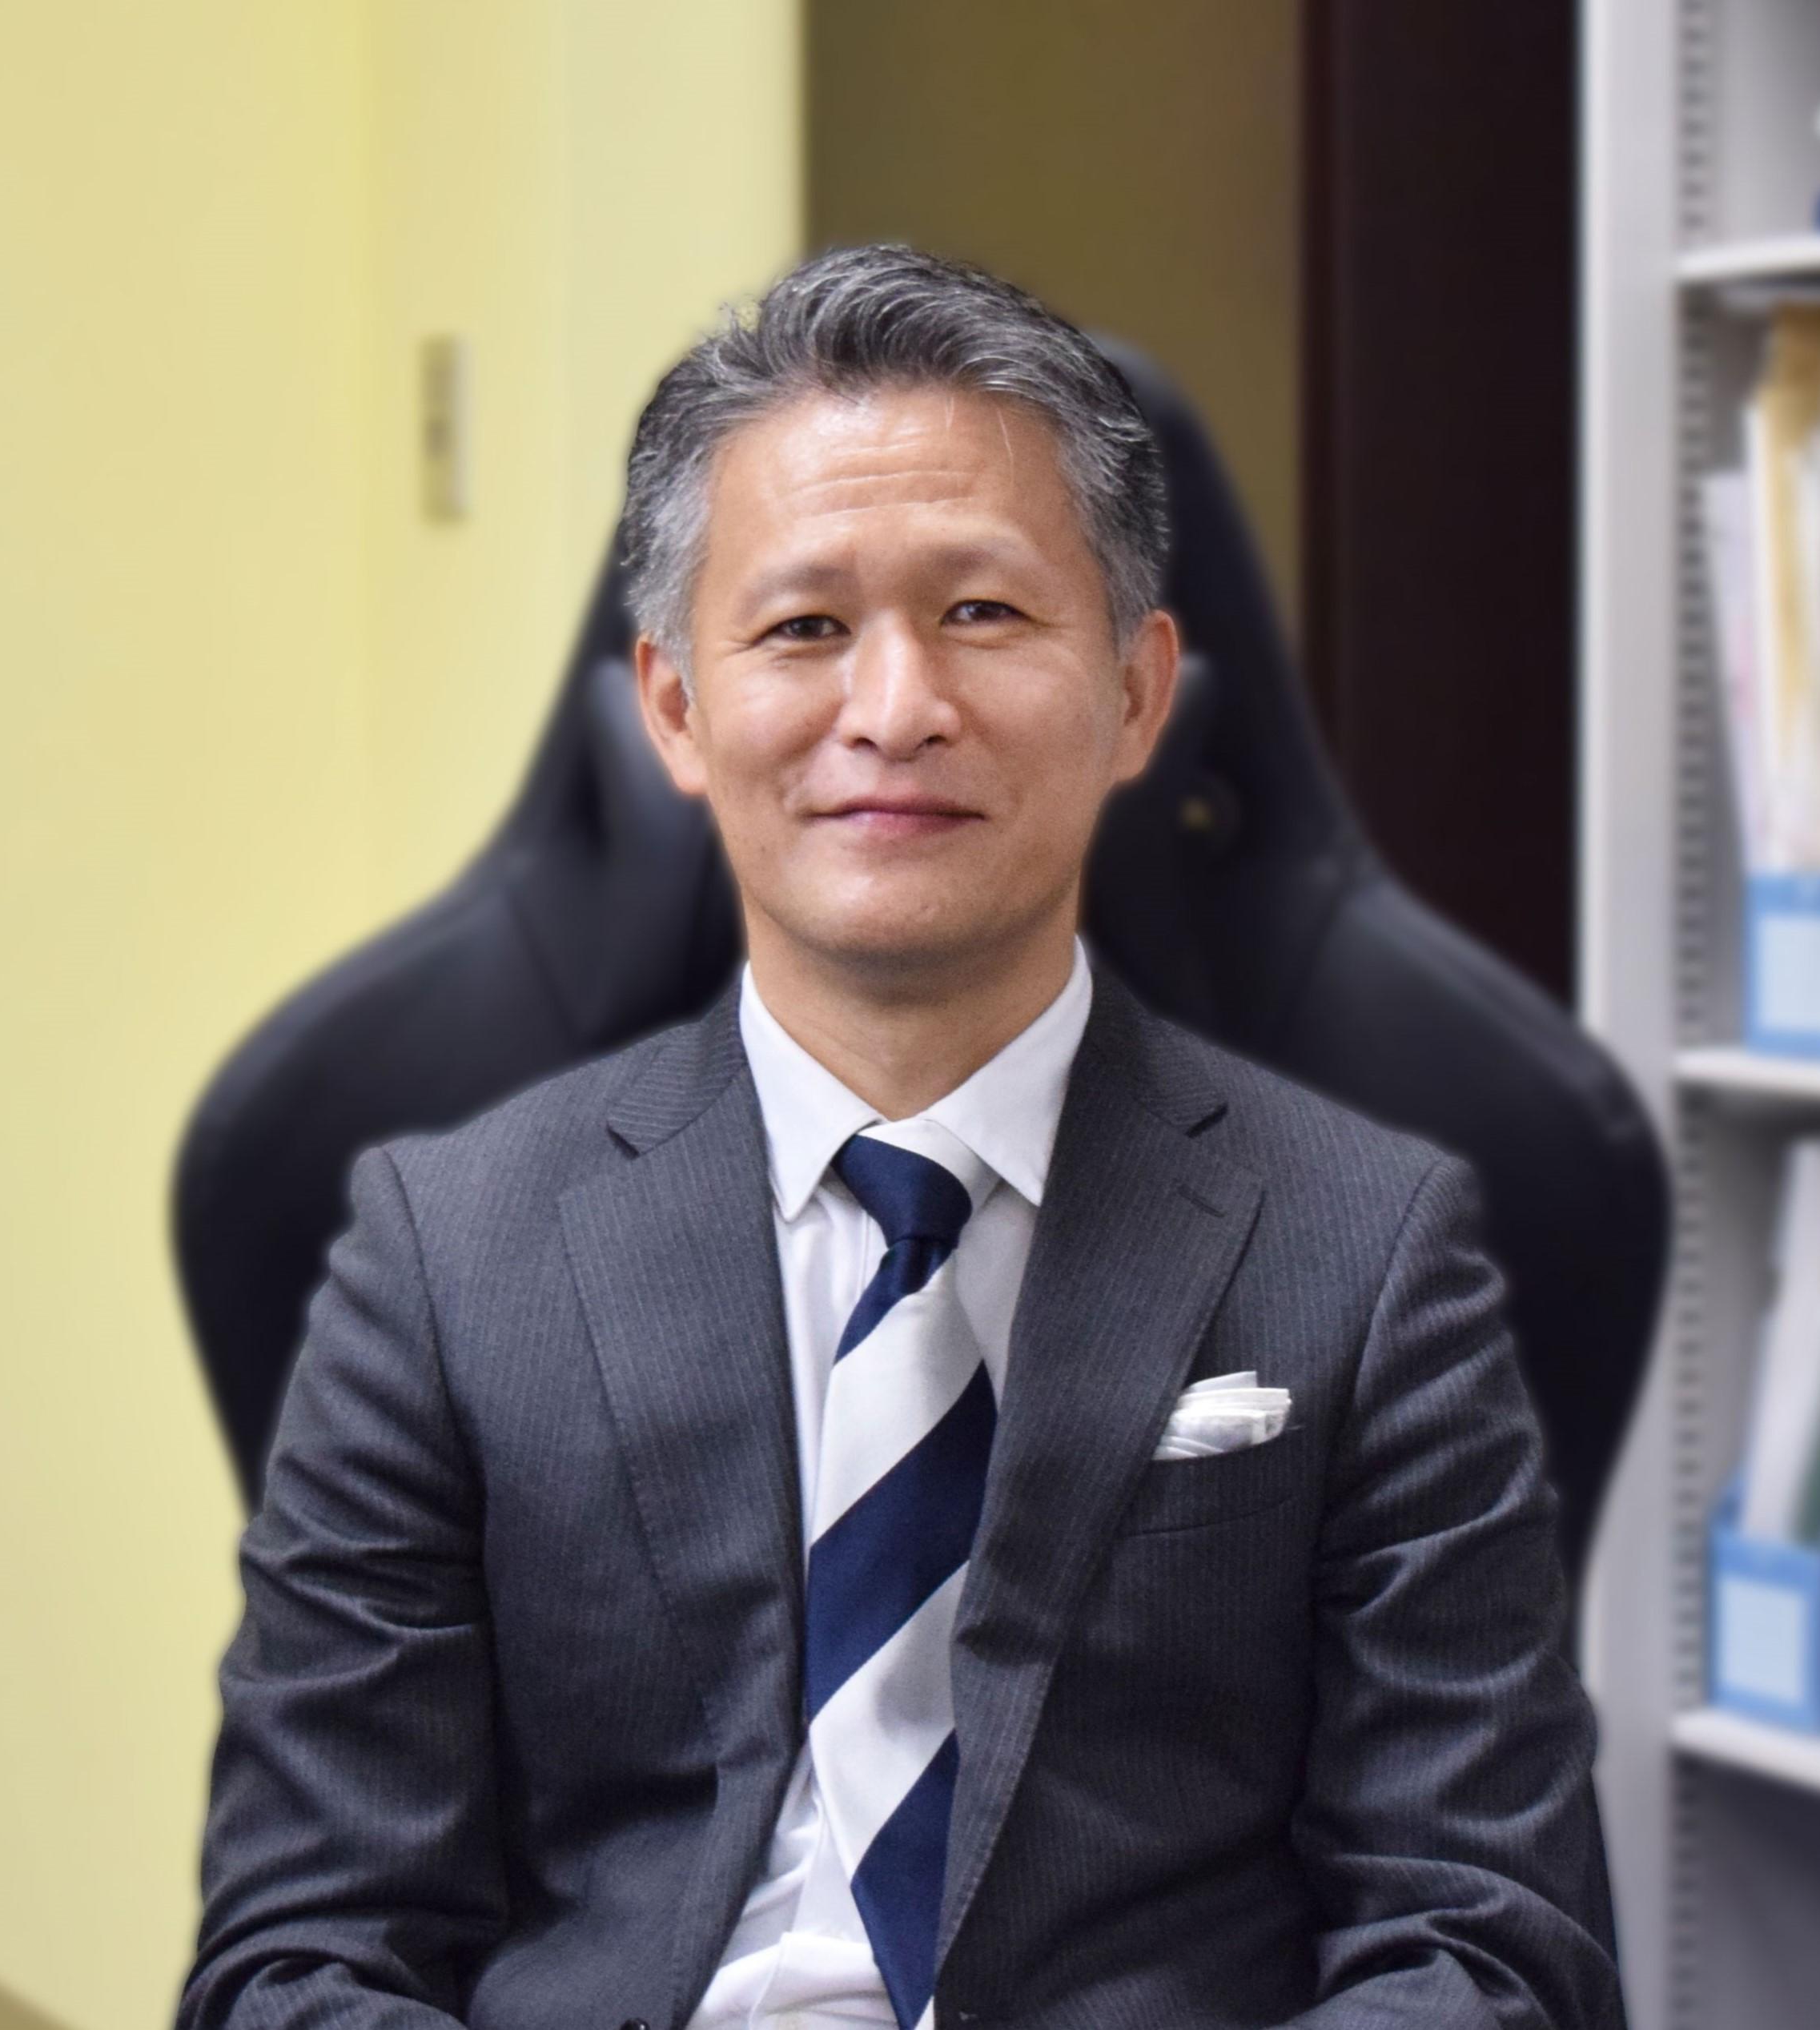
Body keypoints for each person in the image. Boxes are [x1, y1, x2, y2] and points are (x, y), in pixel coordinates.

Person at [178, 243, 1625, 2030]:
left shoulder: (1371, 1244)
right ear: (675, 709)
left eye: (983, 614)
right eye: (802, 628)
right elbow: (299, 1952)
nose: (892, 710)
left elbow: (1488, 1942)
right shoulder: (445, 1255)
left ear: (1135, 693)